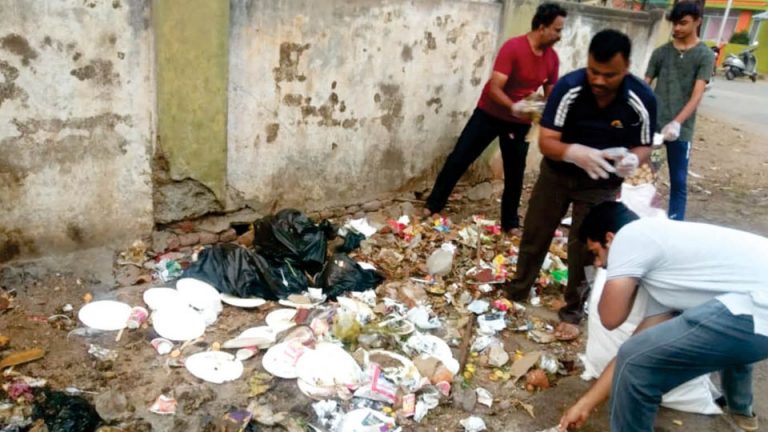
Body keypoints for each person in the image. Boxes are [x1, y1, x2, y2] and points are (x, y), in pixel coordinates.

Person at [559, 201, 767, 432]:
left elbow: (610, 317)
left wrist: (623, 272)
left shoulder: (630, 236)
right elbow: (637, 344)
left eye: (596, 253)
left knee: (637, 369)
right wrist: (585, 404)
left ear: (610, 238)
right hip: (755, 308)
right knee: (637, 355)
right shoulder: (668, 267)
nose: (599, 263)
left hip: (757, 306)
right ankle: (741, 411)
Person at [504, 29, 657, 324]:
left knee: (587, 249)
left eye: (609, 75)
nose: (599, 81)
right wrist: (574, 152)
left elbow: (644, 144)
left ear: (626, 68)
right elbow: (546, 141)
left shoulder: (641, 98)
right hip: (557, 175)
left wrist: (632, 159)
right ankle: (518, 289)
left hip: (602, 182)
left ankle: (573, 309)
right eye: (593, 71)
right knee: (536, 233)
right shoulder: (569, 88)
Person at [423, 3, 567, 233]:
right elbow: (495, 89)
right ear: (542, 27)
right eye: (557, 30)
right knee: (459, 158)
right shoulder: (514, 47)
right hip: (490, 113)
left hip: (519, 123)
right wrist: (513, 107)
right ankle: (433, 205)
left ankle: (510, 223)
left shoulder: (552, 59)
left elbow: (551, 92)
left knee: (515, 173)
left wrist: (541, 108)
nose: (560, 35)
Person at [645, 1, 715, 220]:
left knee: (678, 181)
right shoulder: (661, 53)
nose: (677, 28)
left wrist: (677, 122)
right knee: (644, 177)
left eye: (683, 23)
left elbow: (697, 95)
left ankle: (675, 225)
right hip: (654, 127)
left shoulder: (705, 55)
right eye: (675, 23)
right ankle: (639, 220)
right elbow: (645, 84)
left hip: (681, 130)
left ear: (697, 22)